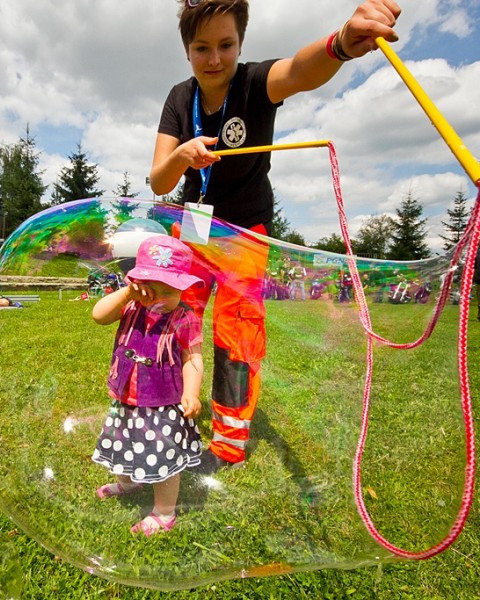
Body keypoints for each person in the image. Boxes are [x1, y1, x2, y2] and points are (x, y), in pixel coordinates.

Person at [149, 0, 401, 470]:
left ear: (241, 43)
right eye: (202, 47)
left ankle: (226, 442)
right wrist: (182, 155)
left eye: (226, 45)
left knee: (236, 332)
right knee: (176, 319)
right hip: (194, 231)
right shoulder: (178, 99)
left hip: (246, 233)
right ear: (187, 51)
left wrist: (341, 42)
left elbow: (300, 70)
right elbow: (159, 181)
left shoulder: (253, 82)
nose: (215, 59)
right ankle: (170, 408)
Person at [91, 235, 205, 536]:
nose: (162, 299)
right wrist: (128, 293)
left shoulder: (184, 318)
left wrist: (191, 392)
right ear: (139, 284)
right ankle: (129, 481)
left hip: (162, 404)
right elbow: (98, 315)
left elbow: (193, 359)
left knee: (162, 456)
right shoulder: (130, 307)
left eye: (171, 291)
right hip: (127, 394)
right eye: (155, 290)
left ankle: (164, 514)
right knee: (123, 442)